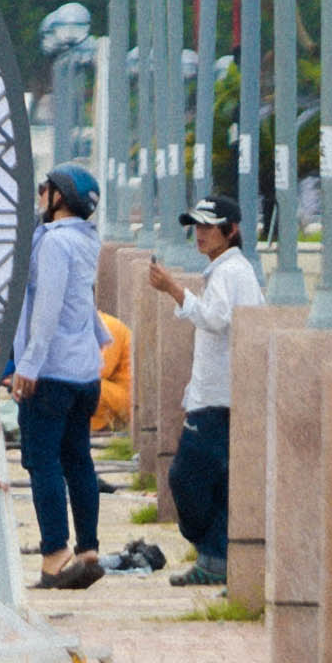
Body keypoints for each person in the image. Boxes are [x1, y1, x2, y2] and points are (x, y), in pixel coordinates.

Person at [132, 194, 261, 589]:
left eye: (208, 226)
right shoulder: (223, 271)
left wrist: (174, 289)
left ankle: (213, 553)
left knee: (187, 477)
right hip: (213, 395)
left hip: (222, 398)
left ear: (232, 230)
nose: (200, 234)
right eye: (197, 226)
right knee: (215, 483)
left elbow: (217, 319)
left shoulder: (232, 272)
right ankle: (215, 559)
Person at [0, 168, 113, 586]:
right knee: (78, 459)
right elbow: (82, 302)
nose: (39, 194)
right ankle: (89, 548)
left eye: (44, 188)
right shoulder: (86, 239)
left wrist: (27, 365)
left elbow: (46, 308)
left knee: (41, 461)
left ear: (60, 197)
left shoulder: (54, 244)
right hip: (84, 372)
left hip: (52, 372)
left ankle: (55, 553)